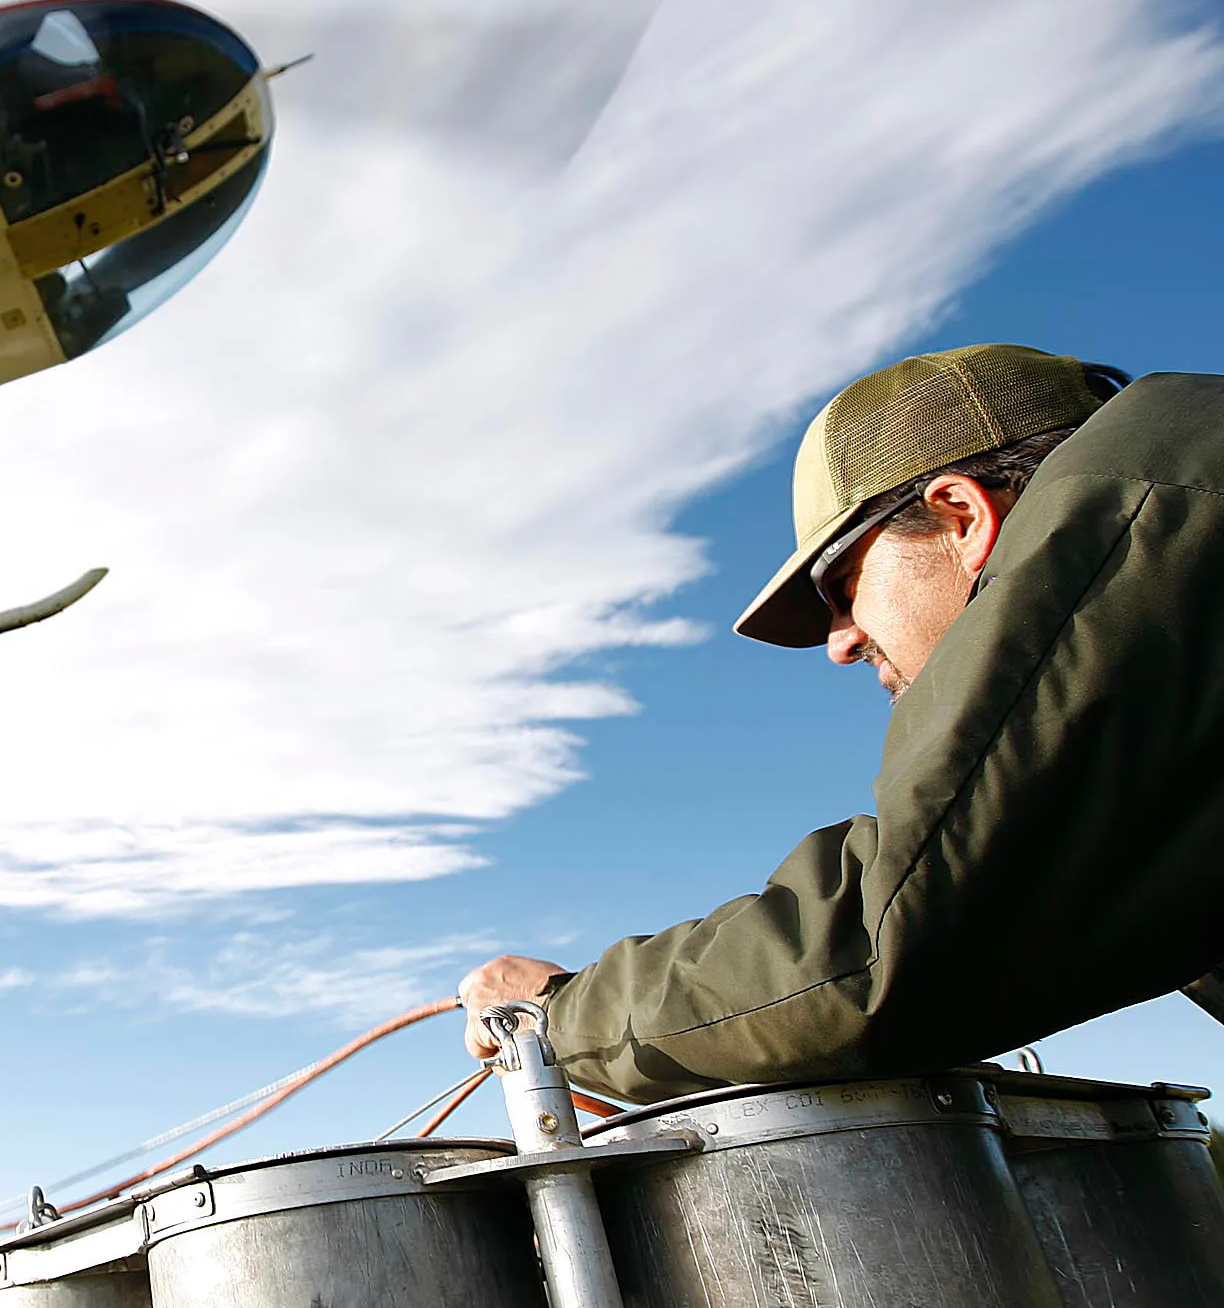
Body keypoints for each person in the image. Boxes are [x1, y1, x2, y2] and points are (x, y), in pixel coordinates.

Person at [453, 344, 1224, 1101]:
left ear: (961, 516)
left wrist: (556, 1012)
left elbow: (877, 947)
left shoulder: (1136, 521)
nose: (840, 642)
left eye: (844, 587)